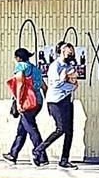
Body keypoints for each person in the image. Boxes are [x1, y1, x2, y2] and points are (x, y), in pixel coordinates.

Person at [33, 42, 79, 170]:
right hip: (56, 100)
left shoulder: (69, 65)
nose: (70, 52)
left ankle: (64, 160)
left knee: (69, 131)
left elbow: (75, 82)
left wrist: (68, 80)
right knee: (61, 128)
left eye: (71, 50)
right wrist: (66, 80)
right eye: (67, 50)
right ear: (61, 51)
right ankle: (39, 150)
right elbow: (56, 84)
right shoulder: (55, 66)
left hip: (67, 99)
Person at [3, 48, 46, 165]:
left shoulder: (21, 66)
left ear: (18, 58)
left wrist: (18, 103)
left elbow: (20, 84)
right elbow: (44, 87)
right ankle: (13, 154)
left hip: (27, 103)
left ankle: (42, 157)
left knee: (32, 129)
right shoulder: (36, 69)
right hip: (38, 102)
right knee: (22, 129)